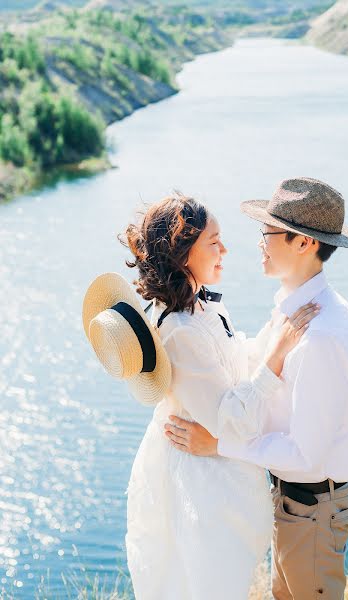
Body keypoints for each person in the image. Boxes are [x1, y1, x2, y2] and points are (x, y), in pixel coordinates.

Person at [165, 177, 348, 600]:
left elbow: (305, 455)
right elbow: (252, 365)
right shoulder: (295, 310)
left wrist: (218, 444)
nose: (259, 243)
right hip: (298, 506)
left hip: (313, 509)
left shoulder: (320, 335)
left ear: (303, 243)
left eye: (267, 233)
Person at [119, 192, 318, 600]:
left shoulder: (201, 309)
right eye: (214, 242)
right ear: (183, 254)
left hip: (212, 472)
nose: (225, 249)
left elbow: (232, 360)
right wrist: (278, 355)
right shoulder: (181, 330)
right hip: (199, 485)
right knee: (204, 582)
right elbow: (230, 421)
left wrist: (276, 328)